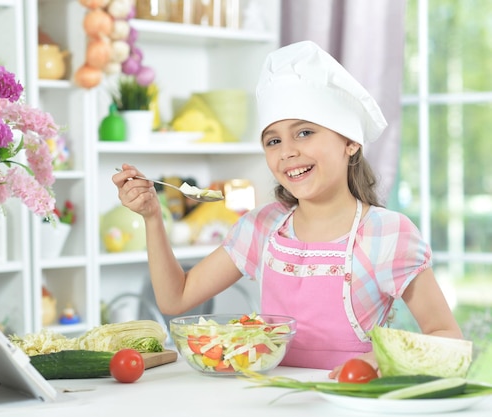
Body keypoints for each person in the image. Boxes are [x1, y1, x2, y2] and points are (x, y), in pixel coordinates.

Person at [111, 41, 463, 377]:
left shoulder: (388, 235)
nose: (287, 151)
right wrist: (152, 217)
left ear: (351, 142)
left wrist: (380, 361)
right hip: (268, 397)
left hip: (349, 400)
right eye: (273, 140)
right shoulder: (262, 227)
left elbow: (447, 336)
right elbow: (176, 299)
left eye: (305, 132)